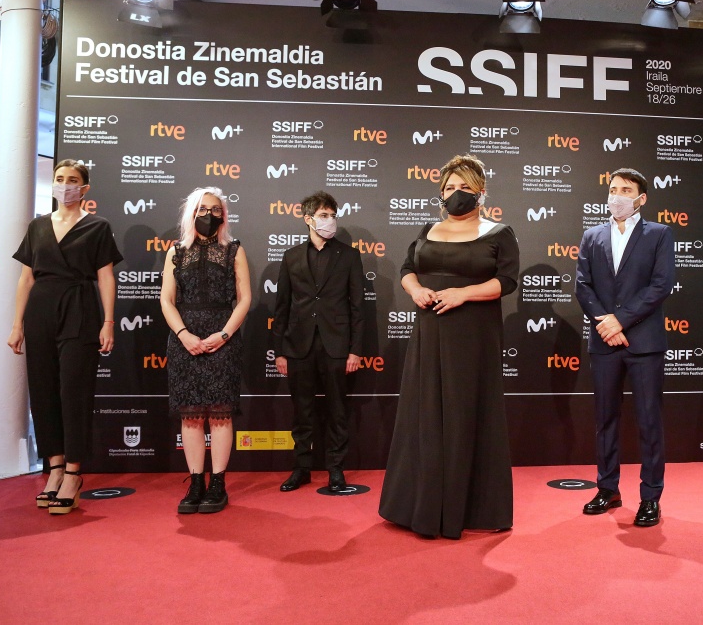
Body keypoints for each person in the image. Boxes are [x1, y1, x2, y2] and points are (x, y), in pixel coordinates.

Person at [379, 154, 519, 539]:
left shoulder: (499, 232)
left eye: (464, 187)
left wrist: (463, 294)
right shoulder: (428, 229)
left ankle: (465, 508)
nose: (456, 193)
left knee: (464, 412)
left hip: (472, 336)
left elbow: (507, 281)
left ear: (481, 192)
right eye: (449, 187)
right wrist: (415, 290)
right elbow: (407, 269)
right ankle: (419, 507)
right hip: (429, 332)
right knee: (424, 413)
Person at [7, 159, 122, 515]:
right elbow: (26, 278)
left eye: (73, 180)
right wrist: (17, 324)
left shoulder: (98, 226)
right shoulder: (38, 226)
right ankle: (54, 469)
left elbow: (105, 277)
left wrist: (108, 321)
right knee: (43, 391)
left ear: (85, 188)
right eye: (59, 179)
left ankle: (73, 473)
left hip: (80, 309)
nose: (65, 185)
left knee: (74, 391)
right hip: (40, 310)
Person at [575, 168, 675, 527]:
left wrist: (621, 320)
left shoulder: (659, 234)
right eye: (613, 189)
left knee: (649, 421)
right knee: (605, 419)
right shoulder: (592, 236)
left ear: (641, 198)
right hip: (605, 342)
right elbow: (583, 286)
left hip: (643, 343)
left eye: (625, 190)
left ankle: (651, 497)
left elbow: (661, 285)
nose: (616, 195)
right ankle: (607, 488)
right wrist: (606, 323)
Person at [160, 187, 251, 514]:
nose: (208, 215)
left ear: (223, 215)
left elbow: (245, 299)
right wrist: (183, 334)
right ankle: (196, 482)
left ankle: (218, 484)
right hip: (184, 341)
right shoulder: (176, 252)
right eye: (202, 209)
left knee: (221, 414)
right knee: (192, 416)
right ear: (191, 213)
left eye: (215, 210)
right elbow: (166, 300)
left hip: (223, 338)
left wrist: (224, 334)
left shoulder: (233, 250)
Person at [272, 191, 365, 493]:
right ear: (308, 219)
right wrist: (280, 351)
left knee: (337, 410)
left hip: (336, 346)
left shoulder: (349, 256)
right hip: (298, 346)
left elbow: (357, 307)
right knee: (302, 412)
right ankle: (301, 468)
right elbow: (282, 307)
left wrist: (355, 350)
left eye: (333, 215)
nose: (330, 220)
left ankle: (336, 469)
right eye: (324, 215)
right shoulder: (291, 257)